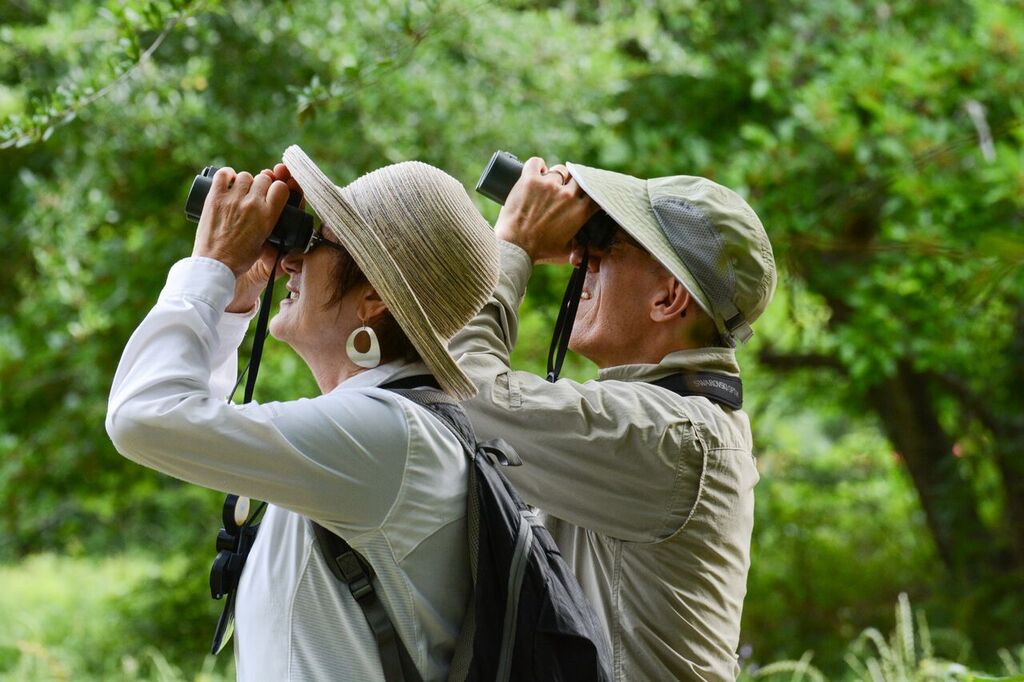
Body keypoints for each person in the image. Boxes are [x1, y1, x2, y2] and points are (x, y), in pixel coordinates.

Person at [106, 145, 499, 681]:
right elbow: (185, 420)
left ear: (373, 298)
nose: (290, 260)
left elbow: (143, 416)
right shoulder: (388, 430)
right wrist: (234, 295)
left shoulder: (387, 437)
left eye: (315, 242)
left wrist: (212, 264)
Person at [450, 157, 777, 681]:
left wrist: (515, 244)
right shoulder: (667, 419)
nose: (582, 260)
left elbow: (459, 394)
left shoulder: (670, 435)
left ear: (668, 297)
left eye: (607, 250)